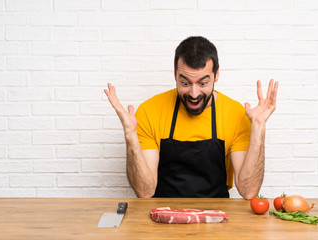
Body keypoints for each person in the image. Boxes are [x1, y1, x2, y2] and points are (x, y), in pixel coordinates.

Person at [104, 36, 278, 199]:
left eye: (203, 83)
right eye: (185, 83)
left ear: (216, 75)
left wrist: (258, 128)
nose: (194, 94)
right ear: (175, 75)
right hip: (163, 218)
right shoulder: (150, 111)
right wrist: (130, 135)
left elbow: (248, 191)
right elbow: (145, 191)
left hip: (216, 219)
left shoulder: (236, 114)